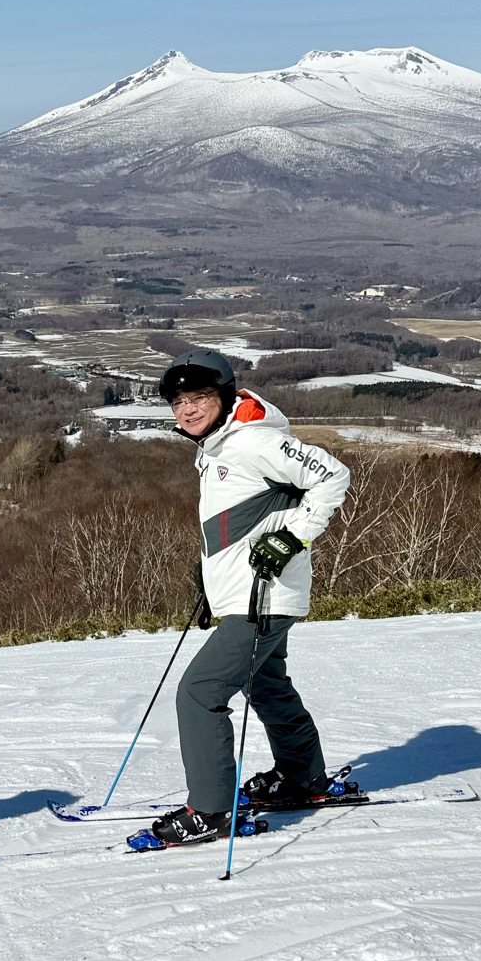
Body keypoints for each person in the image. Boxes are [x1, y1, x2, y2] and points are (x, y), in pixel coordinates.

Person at [150, 350, 352, 846]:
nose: (188, 410)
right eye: (178, 402)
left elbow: (333, 475)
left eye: (198, 397)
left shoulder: (254, 442)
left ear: (224, 395)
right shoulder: (216, 447)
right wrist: (211, 583)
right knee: (266, 685)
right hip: (243, 593)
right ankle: (303, 778)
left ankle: (212, 810)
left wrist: (294, 537)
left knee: (199, 693)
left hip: (263, 596)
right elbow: (234, 526)